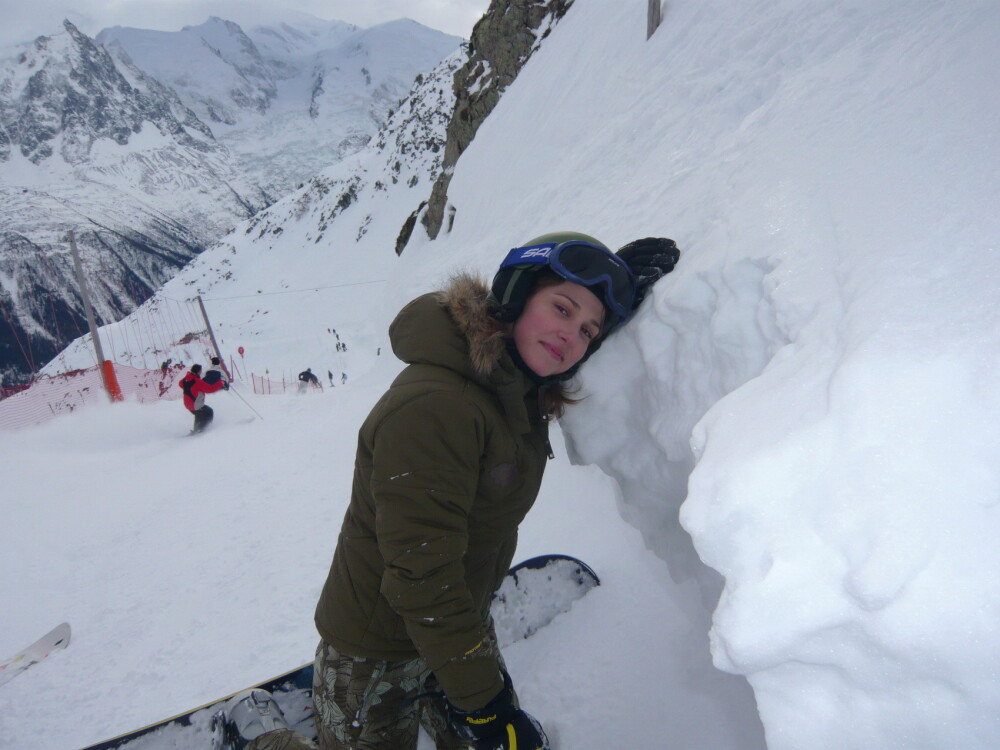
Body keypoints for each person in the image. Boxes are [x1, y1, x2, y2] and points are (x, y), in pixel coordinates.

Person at [228, 233, 678, 750]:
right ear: (515, 297)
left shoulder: (512, 384)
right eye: (561, 307)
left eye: (587, 329)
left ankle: (443, 704)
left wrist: (614, 303)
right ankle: (264, 739)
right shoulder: (437, 406)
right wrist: (487, 707)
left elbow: (567, 349)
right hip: (380, 646)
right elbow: (422, 577)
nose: (570, 335)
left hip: (456, 618)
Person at [179, 363, 227, 433]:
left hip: (187, 404)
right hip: (195, 405)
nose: (201, 372)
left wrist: (188, 377)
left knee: (199, 414)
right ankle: (203, 431)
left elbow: (180, 384)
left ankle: (196, 429)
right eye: (200, 371)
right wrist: (221, 382)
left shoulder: (185, 380)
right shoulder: (197, 382)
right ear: (198, 371)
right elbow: (210, 389)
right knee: (209, 412)